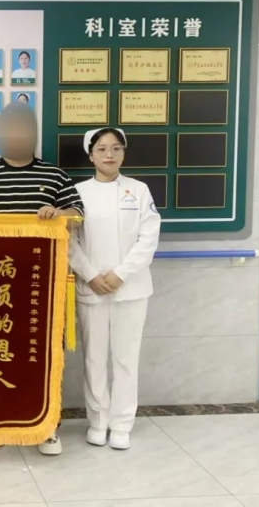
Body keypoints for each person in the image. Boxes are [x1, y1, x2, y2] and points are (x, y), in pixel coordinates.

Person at [0, 102, 84, 456]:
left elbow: (78, 214)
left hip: (42, 283)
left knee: (43, 353)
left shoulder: (55, 175)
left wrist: (59, 212)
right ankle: (0, 419)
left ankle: (46, 425)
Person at [69, 127, 161, 451]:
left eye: (116, 148)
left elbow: (148, 238)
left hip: (131, 289)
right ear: (90, 155)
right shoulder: (77, 192)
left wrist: (121, 274)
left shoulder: (139, 190)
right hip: (91, 288)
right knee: (94, 360)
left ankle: (121, 425)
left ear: (123, 153)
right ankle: (98, 422)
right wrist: (92, 275)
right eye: (102, 149)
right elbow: (70, 241)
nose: (109, 154)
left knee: (125, 359)